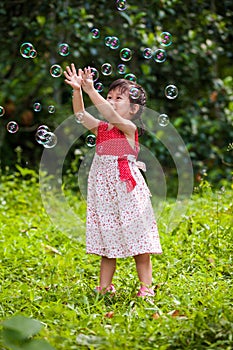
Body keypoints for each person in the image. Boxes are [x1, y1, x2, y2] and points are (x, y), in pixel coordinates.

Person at [64, 64, 162, 297]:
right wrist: (78, 90)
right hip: (104, 195)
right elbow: (80, 115)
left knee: (141, 246)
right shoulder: (102, 129)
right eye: (109, 96)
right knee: (108, 245)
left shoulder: (128, 128)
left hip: (127, 193)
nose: (111, 101)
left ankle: (146, 288)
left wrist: (91, 92)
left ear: (134, 109)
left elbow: (109, 112)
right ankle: (104, 287)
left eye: (119, 98)